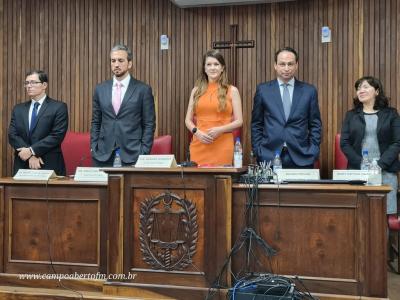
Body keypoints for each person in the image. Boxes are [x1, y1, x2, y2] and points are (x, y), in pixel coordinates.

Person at [340, 76, 400, 221]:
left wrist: (379, 165)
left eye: (365, 87)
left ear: (377, 91)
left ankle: (382, 244)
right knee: (359, 216)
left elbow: (397, 142)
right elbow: (344, 143)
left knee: (383, 217)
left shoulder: (391, 114)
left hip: (385, 171)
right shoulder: (351, 115)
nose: (361, 90)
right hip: (357, 171)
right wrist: (362, 164)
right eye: (359, 88)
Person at [251, 47, 322, 168]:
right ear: (275, 65)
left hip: (302, 156)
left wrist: (313, 150)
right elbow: (256, 123)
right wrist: (258, 150)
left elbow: (315, 124)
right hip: (269, 155)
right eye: (282, 64)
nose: (286, 68)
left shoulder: (309, 91)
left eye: (290, 64)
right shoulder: (263, 90)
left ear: (296, 65)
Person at [91, 44, 156, 167]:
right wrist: (93, 147)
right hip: (103, 154)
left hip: (133, 154)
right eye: (113, 61)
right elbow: (96, 121)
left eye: (121, 60)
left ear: (129, 64)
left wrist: (144, 152)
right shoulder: (100, 89)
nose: (116, 64)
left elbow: (149, 124)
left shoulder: (143, 90)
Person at [185, 49, 243, 166]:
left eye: (216, 64)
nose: (212, 68)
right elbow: (187, 120)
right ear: (204, 69)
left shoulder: (232, 90)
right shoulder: (196, 91)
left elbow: (239, 121)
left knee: (220, 181)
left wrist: (219, 129)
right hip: (199, 144)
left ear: (222, 68)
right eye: (209, 64)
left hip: (222, 145)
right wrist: (196, 132)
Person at [8, 70, 68, 176]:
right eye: (27, 83)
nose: (29, 86)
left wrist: (32, 150)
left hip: (48, 163)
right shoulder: (18, 109)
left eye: (33, 82)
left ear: (44, 85)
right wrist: (30, 155)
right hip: (23, 163)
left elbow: (56, 135)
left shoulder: (58, 107)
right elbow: (12, 135)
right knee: (21, 193)